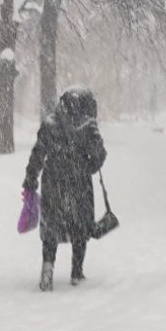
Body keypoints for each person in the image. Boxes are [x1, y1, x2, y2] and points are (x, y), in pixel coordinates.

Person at [22, 87, 107, 291]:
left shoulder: (50, 123)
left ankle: (47, 270)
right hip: (79, 183)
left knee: (51, 227)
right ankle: (76, 272)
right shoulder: (88, 125)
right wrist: (88, 167)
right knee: (80, 225)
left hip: (53, 182)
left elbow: (37, 154)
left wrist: (30, 179)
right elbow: (99, 154)